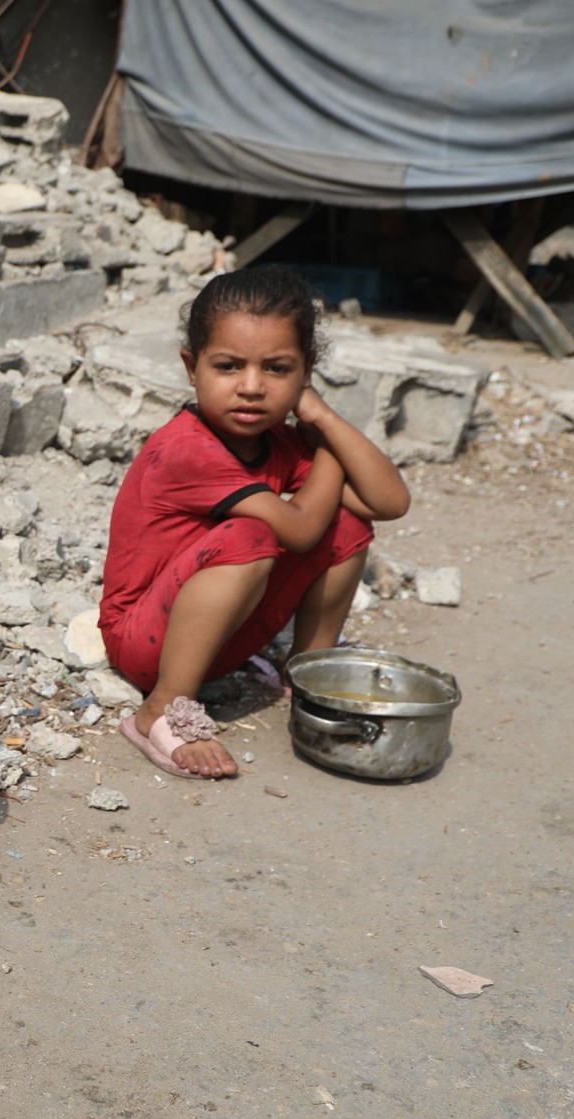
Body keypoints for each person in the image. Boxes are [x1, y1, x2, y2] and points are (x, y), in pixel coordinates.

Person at [98, 266, 410, 779]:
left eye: (277, 369)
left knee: (348, 523)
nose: (251, 387)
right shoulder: (186, 449)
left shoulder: (283, 441)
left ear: (306, 373)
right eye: (227, 366)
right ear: (190, 367)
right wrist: (326, 446)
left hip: (219, 640)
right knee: (255, 533)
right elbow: (301, 530)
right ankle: (162, 708)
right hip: (142, 644)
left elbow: (389, 500)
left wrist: (326, 419)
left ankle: (309, 672)